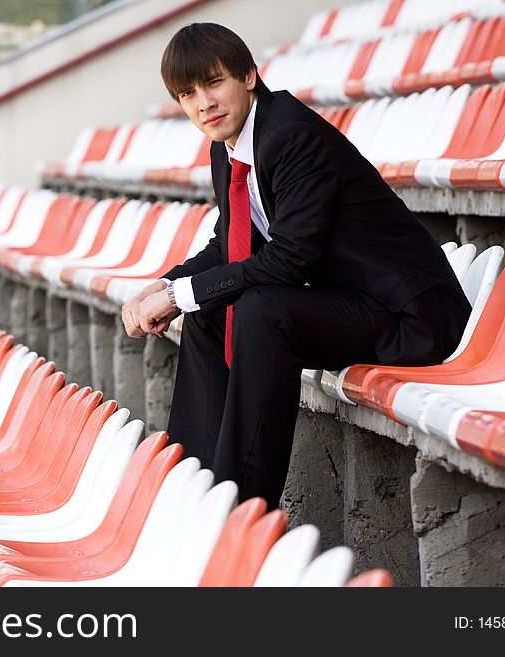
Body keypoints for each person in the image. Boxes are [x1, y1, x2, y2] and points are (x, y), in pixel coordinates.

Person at [119, 23, 471, 509]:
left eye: (214, 82)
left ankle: (239, 509)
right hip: (347, 303)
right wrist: (163, 286)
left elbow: (290, 258)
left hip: (410, 318)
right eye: (187, 94)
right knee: (209, 309)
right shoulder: (229, 145)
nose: (203, 103)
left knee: (263, 309)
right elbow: (230, 245)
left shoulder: (290, 134)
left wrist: (180, 294)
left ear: (248, 75)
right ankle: (194, 495)